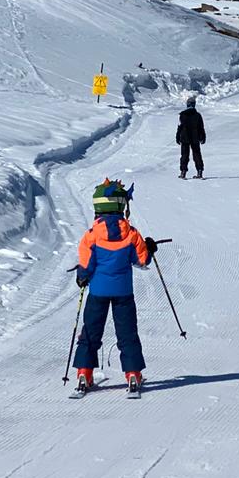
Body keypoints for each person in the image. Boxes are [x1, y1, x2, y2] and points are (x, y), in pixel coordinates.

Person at [72, 179, 158, 393]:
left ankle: (84, 372)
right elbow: (142, 260)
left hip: (98, 292)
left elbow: (85, 264)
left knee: (91, 331)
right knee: (127, 333)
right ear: (121, 205)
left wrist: (82, 277)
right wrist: (150, 248)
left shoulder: (91, 236)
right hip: (123, 293)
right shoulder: (131, 234)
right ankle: (133, 374)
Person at [176, 96, 206, 179]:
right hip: (195, 138)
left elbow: (179, 127)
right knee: (197, 154)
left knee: (184, 155)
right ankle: (199, 172)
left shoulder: (182, 115)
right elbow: (201, 127)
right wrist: (202, 137)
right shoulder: (198, 115)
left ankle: (183, 172)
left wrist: (177, 137)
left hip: (185, 138)